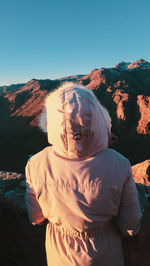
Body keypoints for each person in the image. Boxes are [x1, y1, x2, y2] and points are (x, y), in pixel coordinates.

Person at [25, 82, 142, 266]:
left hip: (59, 252)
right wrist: (131, 233)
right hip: (106, 252)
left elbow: (36, 217)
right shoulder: (120, 164)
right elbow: (130, 222)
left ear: (52, 123)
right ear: (99, 120)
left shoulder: (36, 163)